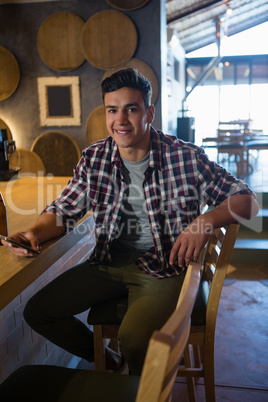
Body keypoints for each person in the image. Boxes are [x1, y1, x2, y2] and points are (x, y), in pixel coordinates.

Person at [1, 68, 259, 375]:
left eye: (131, 109)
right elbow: (64, 210)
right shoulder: (95, 157)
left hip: (164, 265)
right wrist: (33, 233)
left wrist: (204, 221)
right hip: (109, 261)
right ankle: (112, 363)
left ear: (149, 112)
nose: (120, 120)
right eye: (113, 110)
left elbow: (248, 201)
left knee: (134, 339)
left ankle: (141, 389)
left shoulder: (185, 157)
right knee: (39, 311)